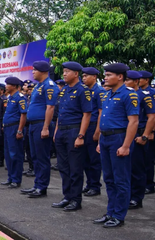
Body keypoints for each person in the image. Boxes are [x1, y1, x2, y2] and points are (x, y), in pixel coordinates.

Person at [93, 63, 138, 228]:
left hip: (119, 138)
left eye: (109, 75)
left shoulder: (129, 95)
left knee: (121, 179)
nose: (105, 77)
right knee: (109, 179)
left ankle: (119, 215)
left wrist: (126, 146)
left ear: (120, 77)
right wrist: (99, 141)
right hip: (105, 139)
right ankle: (110, 212)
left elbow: (133, 122)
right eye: (105, 75)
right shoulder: (107, 95)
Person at [52, 62, 92, 212]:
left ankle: (76, 199)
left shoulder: (83, 91)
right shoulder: (64, 91)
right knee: (63, 167)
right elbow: (60, 114)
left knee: (75, 167)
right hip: (62, 130)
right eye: (63, 71)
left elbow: (87, 114)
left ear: (76, 74)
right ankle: (67, 196)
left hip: (74, 131)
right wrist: (56, 131)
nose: (64, 74)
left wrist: (81, 135)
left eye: (67, 71)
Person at [21, 61, 59, 198]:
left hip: (41, 125)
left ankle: (42, 187)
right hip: (33, 125)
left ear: (43, 71)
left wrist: (45, 127)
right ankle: (37, 184)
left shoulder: (49, 86)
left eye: (34, 70)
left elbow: (50, 108)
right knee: (35, 156)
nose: (33, 72)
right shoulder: (38, 86)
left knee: (42, 157)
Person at [125, 70, 155, 210]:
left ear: (136, 81)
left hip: (139, 134)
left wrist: (146, 135)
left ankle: (137, 198)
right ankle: (129, 195)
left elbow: (152, 117)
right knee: (127, 168)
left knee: (138, 168)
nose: (125, 82)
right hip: (127, 134)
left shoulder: (145, 95)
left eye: (128, 80)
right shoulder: (125, 94)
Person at [81, 67, 104, 197]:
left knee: (94, 159)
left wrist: (97, 131)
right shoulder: (85, 91)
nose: (84, 78)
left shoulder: (99, 91)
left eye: (86, 76)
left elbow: (101, 113)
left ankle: (95, 186)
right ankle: (89, 183)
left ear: (94, 77)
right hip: (85, 126)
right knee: (85, 159)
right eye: (83, 76)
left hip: (94, 126)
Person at [1, 76, 27, 188]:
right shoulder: (10, 97)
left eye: (8, 84)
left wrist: (20, 130)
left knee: (15, 154)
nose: (6, 86)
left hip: (14, 128)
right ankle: (10, 177)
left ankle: (16, 179)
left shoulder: (20, 98)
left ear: (15, 86)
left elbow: (23, 114)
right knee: (8, 154)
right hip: (7, 128)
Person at [139, 71, 155, 194]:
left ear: (146, 80)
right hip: (139, 128)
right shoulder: (135, 93)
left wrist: (151, 131)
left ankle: (149, 184)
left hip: (147, 128)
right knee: (141, 161)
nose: (138, 80)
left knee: (148, 159)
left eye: (141, 79)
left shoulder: (151, 93)